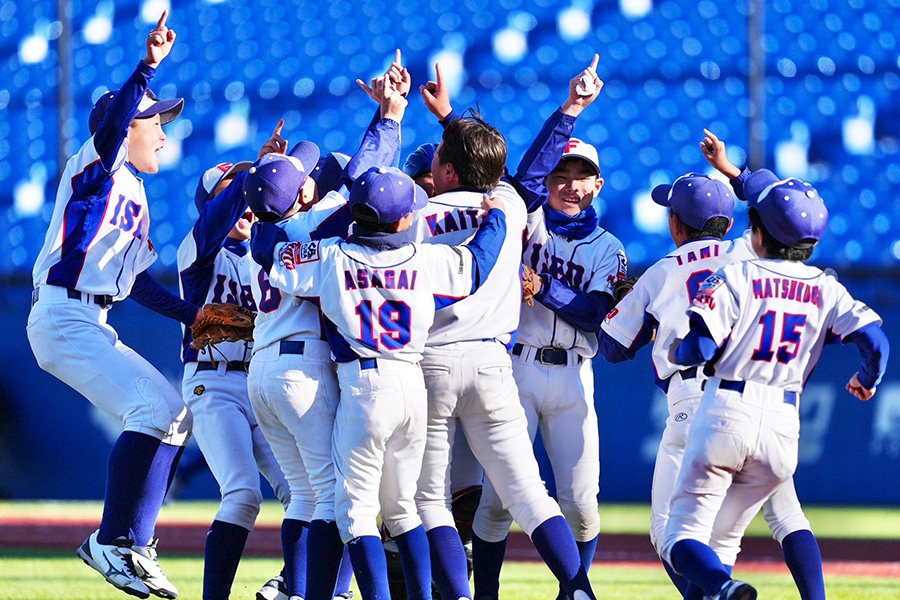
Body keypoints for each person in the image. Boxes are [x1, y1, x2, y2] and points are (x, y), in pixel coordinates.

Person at [251, 164, 508, 600]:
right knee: (404, 508)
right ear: (404, 219)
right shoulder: (426, 258)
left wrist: (270, 210)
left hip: (363, 385)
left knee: (354, 513)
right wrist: (496, 216)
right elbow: (480, 263)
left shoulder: (333, 256)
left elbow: (268, 250)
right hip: (412, 382)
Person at [600, 130, 833, 600]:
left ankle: (717, 593)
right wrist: (734, 171)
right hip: (753, 391)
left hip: (692, 404)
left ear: (676, 225)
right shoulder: (748, 252)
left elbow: (612, 346)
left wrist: (639, 314)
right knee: (787, 515)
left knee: (671, 532)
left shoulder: (661, 272)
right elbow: (780, 198)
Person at [411, 64, 599, 600]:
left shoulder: (416, 214)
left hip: (430, 361)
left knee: (430, 501)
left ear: (442, 169)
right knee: (531, 495)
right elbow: (532, 168)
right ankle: (578, 586)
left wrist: (436, 120)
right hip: (495, 363)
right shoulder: (510, 204)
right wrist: (571, 110)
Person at [26, 11, 196, 599]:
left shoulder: (137, 196)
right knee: (155, 410)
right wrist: (147, 66)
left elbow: (141, 286)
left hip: (89, 317)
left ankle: (132, 543)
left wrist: (192, 316)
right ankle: (113, 540)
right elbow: (115, 126)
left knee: (174, 413)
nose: (165, 132)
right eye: (156, 122)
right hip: (62, 315)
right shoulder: (98, 168)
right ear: (128, 129)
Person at [660, 168, 889, 600]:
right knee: (739, 534)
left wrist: (677, 350)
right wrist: (865, 378)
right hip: (784, 422)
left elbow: (700, 349)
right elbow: (876, 341)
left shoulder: (736, 276)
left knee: (680, 539)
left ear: (759, 234)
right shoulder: (827, 287)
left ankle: (726, 586)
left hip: (728, 408)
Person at [242, 65, 405, 600]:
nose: (316, 176)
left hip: (262, 368)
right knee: (337, 495)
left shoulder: (262, 235)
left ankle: (295, 586)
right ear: (301, 194)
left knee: (305, 499)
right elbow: (365, 178)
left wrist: (274, 167)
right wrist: (389, 117)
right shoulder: (314, 225)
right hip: (304, 369)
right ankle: (325, 592)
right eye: (306, 174)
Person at [471, 56, 624, 600]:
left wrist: (546, 290)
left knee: (581, 502)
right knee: (496, 499)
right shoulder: (526, 220)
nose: (571, 186)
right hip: (518, 365)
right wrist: (571, 110)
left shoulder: (610, 248)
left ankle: (573, 590)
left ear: (599, 185)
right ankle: (483, 593)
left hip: (574, 375)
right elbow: (524, 179)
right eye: (562, 176)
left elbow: (595, 312)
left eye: (582, 177)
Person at [176, 142, 292, 600]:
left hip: (260, 382)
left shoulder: (267, 252)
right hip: (215, 381)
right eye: (232, 190)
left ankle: (293, 585)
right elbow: (217, 219)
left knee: (308, 492)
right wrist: (254, 177)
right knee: (243, 496)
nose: (245, 200)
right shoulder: (199, 246)